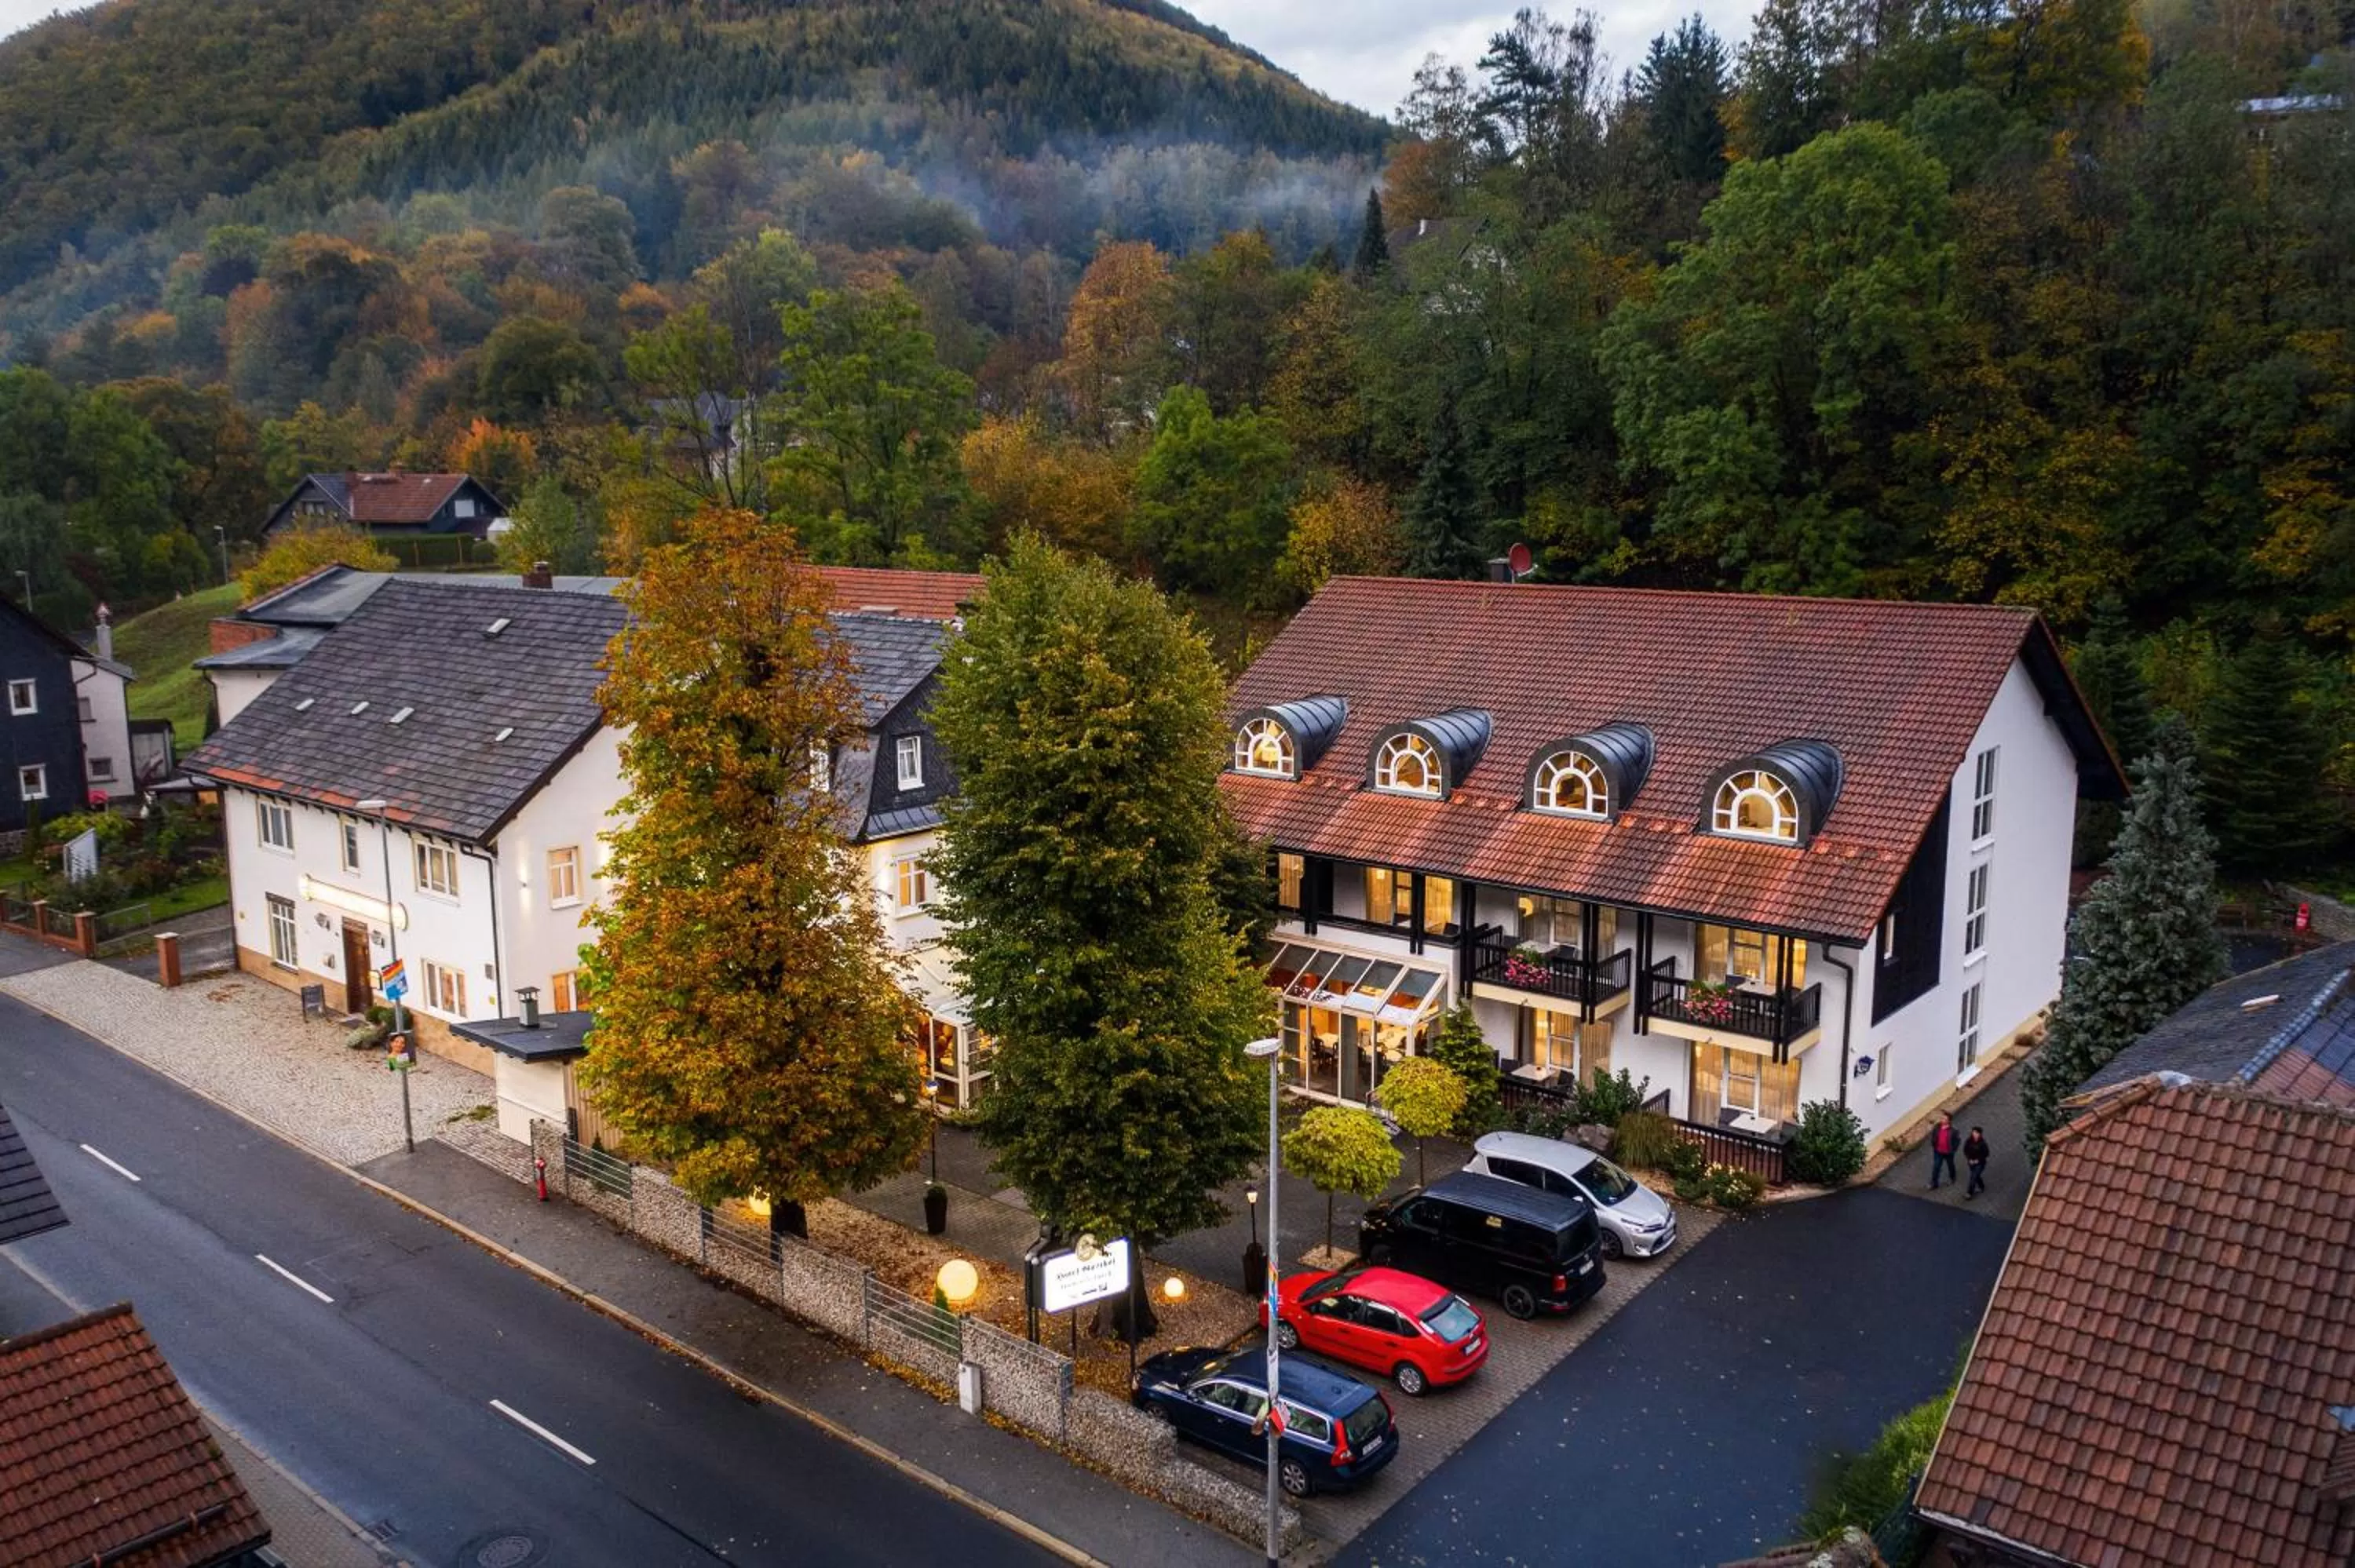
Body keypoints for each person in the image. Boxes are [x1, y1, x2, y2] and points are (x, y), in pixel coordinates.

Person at [1929, 1114, 1958, 1189]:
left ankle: (1952, 1178)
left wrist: (1953, 1150)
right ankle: (1934, 1183)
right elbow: (1934, 1136)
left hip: (1948, 1153)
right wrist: (1933, 1143)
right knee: (1936, 1167)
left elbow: (1957, 1141)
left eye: (1944, 1119)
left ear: (1949, 1121)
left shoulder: (1953, 1131)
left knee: (1950, 1166)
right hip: (1938, 1152)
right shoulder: (1937, 1128)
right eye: (1942, 1118)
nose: (1942, 1120)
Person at [1963, 1125, 1991, 1198]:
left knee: (1973, 1177)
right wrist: (1969, 1159)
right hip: (1971, 1162)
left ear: (1979, 1134)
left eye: (1976, 1133)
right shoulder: (1969, 1141)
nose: (1974, 1134)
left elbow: (1986, 1153)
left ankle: (1969, 1193)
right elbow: (1966, 1150)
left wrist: (1978, 1160)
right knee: (1976, 1176)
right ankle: (1981, 1186)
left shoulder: (1983, 1143)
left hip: (1980, 1163)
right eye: (1973, 1132)